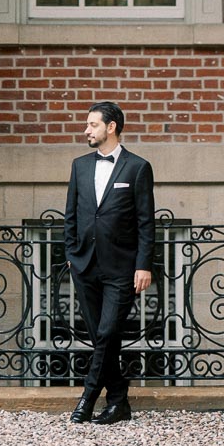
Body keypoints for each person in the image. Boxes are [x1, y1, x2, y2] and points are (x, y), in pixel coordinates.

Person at [63, 100, 155, 425]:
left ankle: (87, 398)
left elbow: (146, 222)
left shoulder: (137, 167)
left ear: (111, 127)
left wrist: (144, 265)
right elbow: (70, 215)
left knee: (106, 331)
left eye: (92, 125)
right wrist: (71, 256)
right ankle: (118, 402)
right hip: (84, 266)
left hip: (122, 268)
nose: (86, 130)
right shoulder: (80, 166)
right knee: (103, 337)